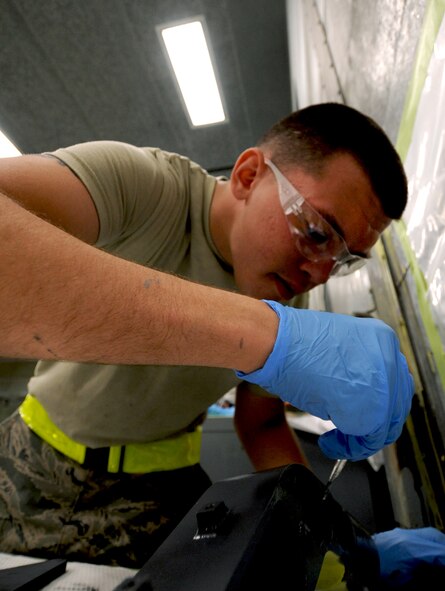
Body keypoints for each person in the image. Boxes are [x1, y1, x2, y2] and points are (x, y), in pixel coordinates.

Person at [0, 103, 414, 568]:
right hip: (31, 458)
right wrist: (260, 333)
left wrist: (337, 534)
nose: (318, 273)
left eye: (343, 261)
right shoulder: (146, 187)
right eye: (316, 232)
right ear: (248, 174)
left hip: (159, 487)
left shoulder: (289, 291)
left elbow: (261, 422)